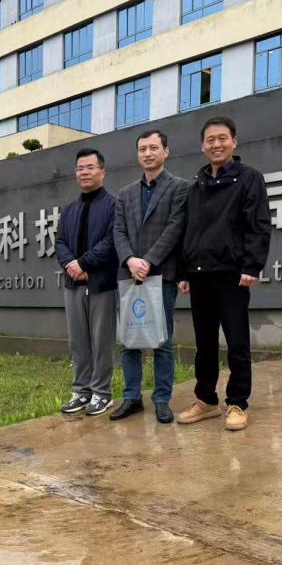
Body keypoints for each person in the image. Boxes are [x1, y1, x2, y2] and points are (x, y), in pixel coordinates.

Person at [177, 116, 271, 431]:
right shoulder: (197, 185)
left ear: (234, 142)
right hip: (199, 275)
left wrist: (251, 266)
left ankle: (237, 403)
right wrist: (184, 271)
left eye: (222, 138)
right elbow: (188, 231)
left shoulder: (249, 179)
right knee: (204, 345)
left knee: (237, 343)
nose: (216, 144)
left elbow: (258, 225)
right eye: (210, 140)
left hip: (232, 275)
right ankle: (206, 400)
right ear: (203, 146)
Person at [110, 130, 190, 424]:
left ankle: (162, 399)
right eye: (142, 148)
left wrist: (148, 261)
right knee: (129, 339)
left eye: (154, 148)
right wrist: (130, 260)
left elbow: (175, 228)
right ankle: (132, 397)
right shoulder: (125, 193)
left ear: (165, 152)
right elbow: (118, 231)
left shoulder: (180, 188)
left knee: (162, 340)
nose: (148, 153)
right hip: (129, 275)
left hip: (161, 275)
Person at [56, 148, 120, 417]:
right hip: (73, 284)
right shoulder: (69, 210)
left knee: (102, 341)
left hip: (102, 284)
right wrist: (71, 265)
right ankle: (81, 391)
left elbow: (111, 242)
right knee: (78, 341)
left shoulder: (114, 206)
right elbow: (60, 242)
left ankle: (102, 393)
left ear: (102, 172)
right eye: (80, 168)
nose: (84, 172)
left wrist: (83, 263)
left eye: (90, 167)